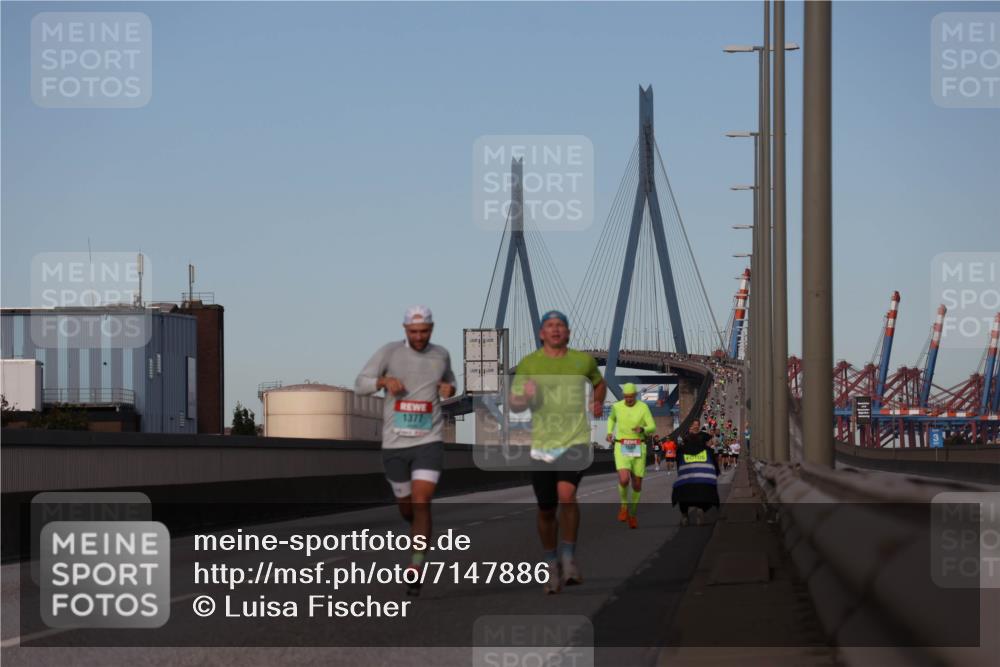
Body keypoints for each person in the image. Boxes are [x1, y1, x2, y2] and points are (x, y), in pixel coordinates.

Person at [355, 305, 456, 596]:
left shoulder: (441, 354)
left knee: (422, 501)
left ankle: (416, 565)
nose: (420, 337)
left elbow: (449, 381)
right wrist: (382, 381)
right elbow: (360, 385)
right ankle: (418, 531)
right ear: (405, 330)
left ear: (432, 329)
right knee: (407, 508)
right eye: (414, 332)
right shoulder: (389, 353)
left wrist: (448, 388)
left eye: (424, 331)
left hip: (429, 440)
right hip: (395, 444)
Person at [510, 310, 606, 594]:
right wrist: (523, 397)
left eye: (560, 326)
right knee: (545, 508)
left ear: (568, 332)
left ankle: (568, 556)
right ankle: (551, 561)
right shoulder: (529, 363)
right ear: (541, 333)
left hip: (574, 440)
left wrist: (597, 401)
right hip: (541, 444)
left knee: (567, 495)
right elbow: (515, 404)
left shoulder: (582, 361)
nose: (555, 330)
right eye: (549, 326)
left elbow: (599, 383)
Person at [606, 383, 656, 529]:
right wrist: (609, 432)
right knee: (623, 478)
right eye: (626, 397)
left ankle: (632, 514)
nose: (628, 399)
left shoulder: (643, 407)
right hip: (621, 445)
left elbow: (652, 426)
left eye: (631, 397)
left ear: (635, 395)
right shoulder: (617, 406)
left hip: (639, 446)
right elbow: (611, 419)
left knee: (637, 484)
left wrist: (643, 428)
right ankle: (623, 507)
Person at [671, 419, 720, 526]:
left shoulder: (681, 451)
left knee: (680, 489)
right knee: (710, 490)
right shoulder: (708, 451)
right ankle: (701, 509)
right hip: (704, 486)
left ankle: (684, 515)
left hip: (685, 487)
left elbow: (679, 468)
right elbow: (716, 471)